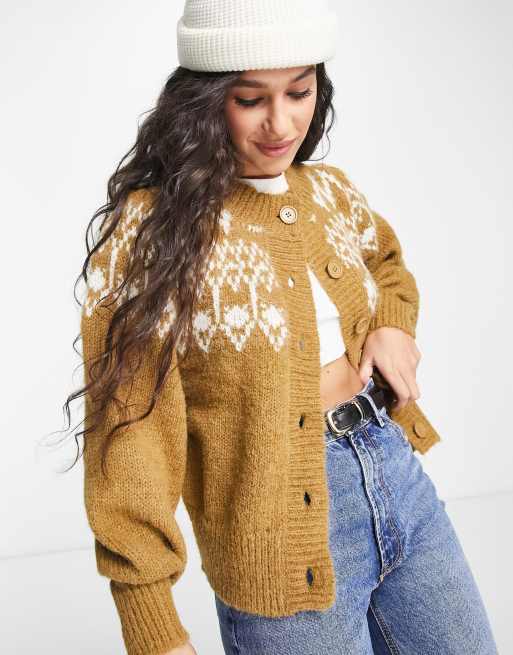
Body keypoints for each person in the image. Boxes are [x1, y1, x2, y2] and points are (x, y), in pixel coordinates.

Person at [70, 1, 499, 653]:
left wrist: (391, 325)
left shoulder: (328, 191)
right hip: (272, 543)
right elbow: (131, 429)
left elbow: (386, 265)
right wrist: (151, 621)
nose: (282, 122)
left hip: (397, 480)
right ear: (203, 102)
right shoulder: (153, 233)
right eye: (251, 99)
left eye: (299, 91)